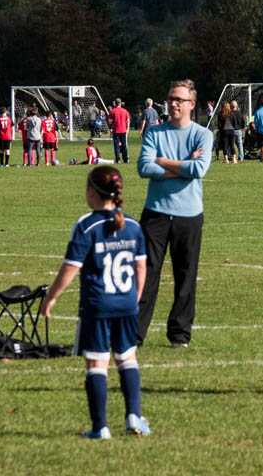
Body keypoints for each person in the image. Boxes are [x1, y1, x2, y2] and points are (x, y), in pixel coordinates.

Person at [40, 166, 150, 439]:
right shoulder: (133, 226)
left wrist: (50, 297)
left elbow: (70, 268)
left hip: (98, 306)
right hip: (126, 305)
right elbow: (141, 268)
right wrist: (134, 298)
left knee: (96, 364)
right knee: (127, 358)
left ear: (91, 191)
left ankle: (100, 427)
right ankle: (134, 415)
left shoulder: (87, 225)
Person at [136, 79, 212, 348]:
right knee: (145, 276)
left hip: (189, 215)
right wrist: (183, 165)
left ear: (192, 104)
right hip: (155, 214)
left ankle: (180, 335)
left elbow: (199, 170)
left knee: (185, 277)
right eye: (170, 98)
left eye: (179, 99)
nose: (173, 103)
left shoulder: (203, 134)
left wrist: (164, 163)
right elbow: (144, 168)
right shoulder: (155, 132)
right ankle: (135, 334)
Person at [108, 98, 131, 164]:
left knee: (116, 146)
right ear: (120, 103)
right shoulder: (125, 111)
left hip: (116, 130)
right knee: (124, 145)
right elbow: (128, 120)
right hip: (123, 130)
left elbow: (109, 121)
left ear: (115, 103)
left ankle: (118, 159)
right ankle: (126, 159)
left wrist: (112, 122)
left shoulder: (112, 111)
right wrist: (128, 128)